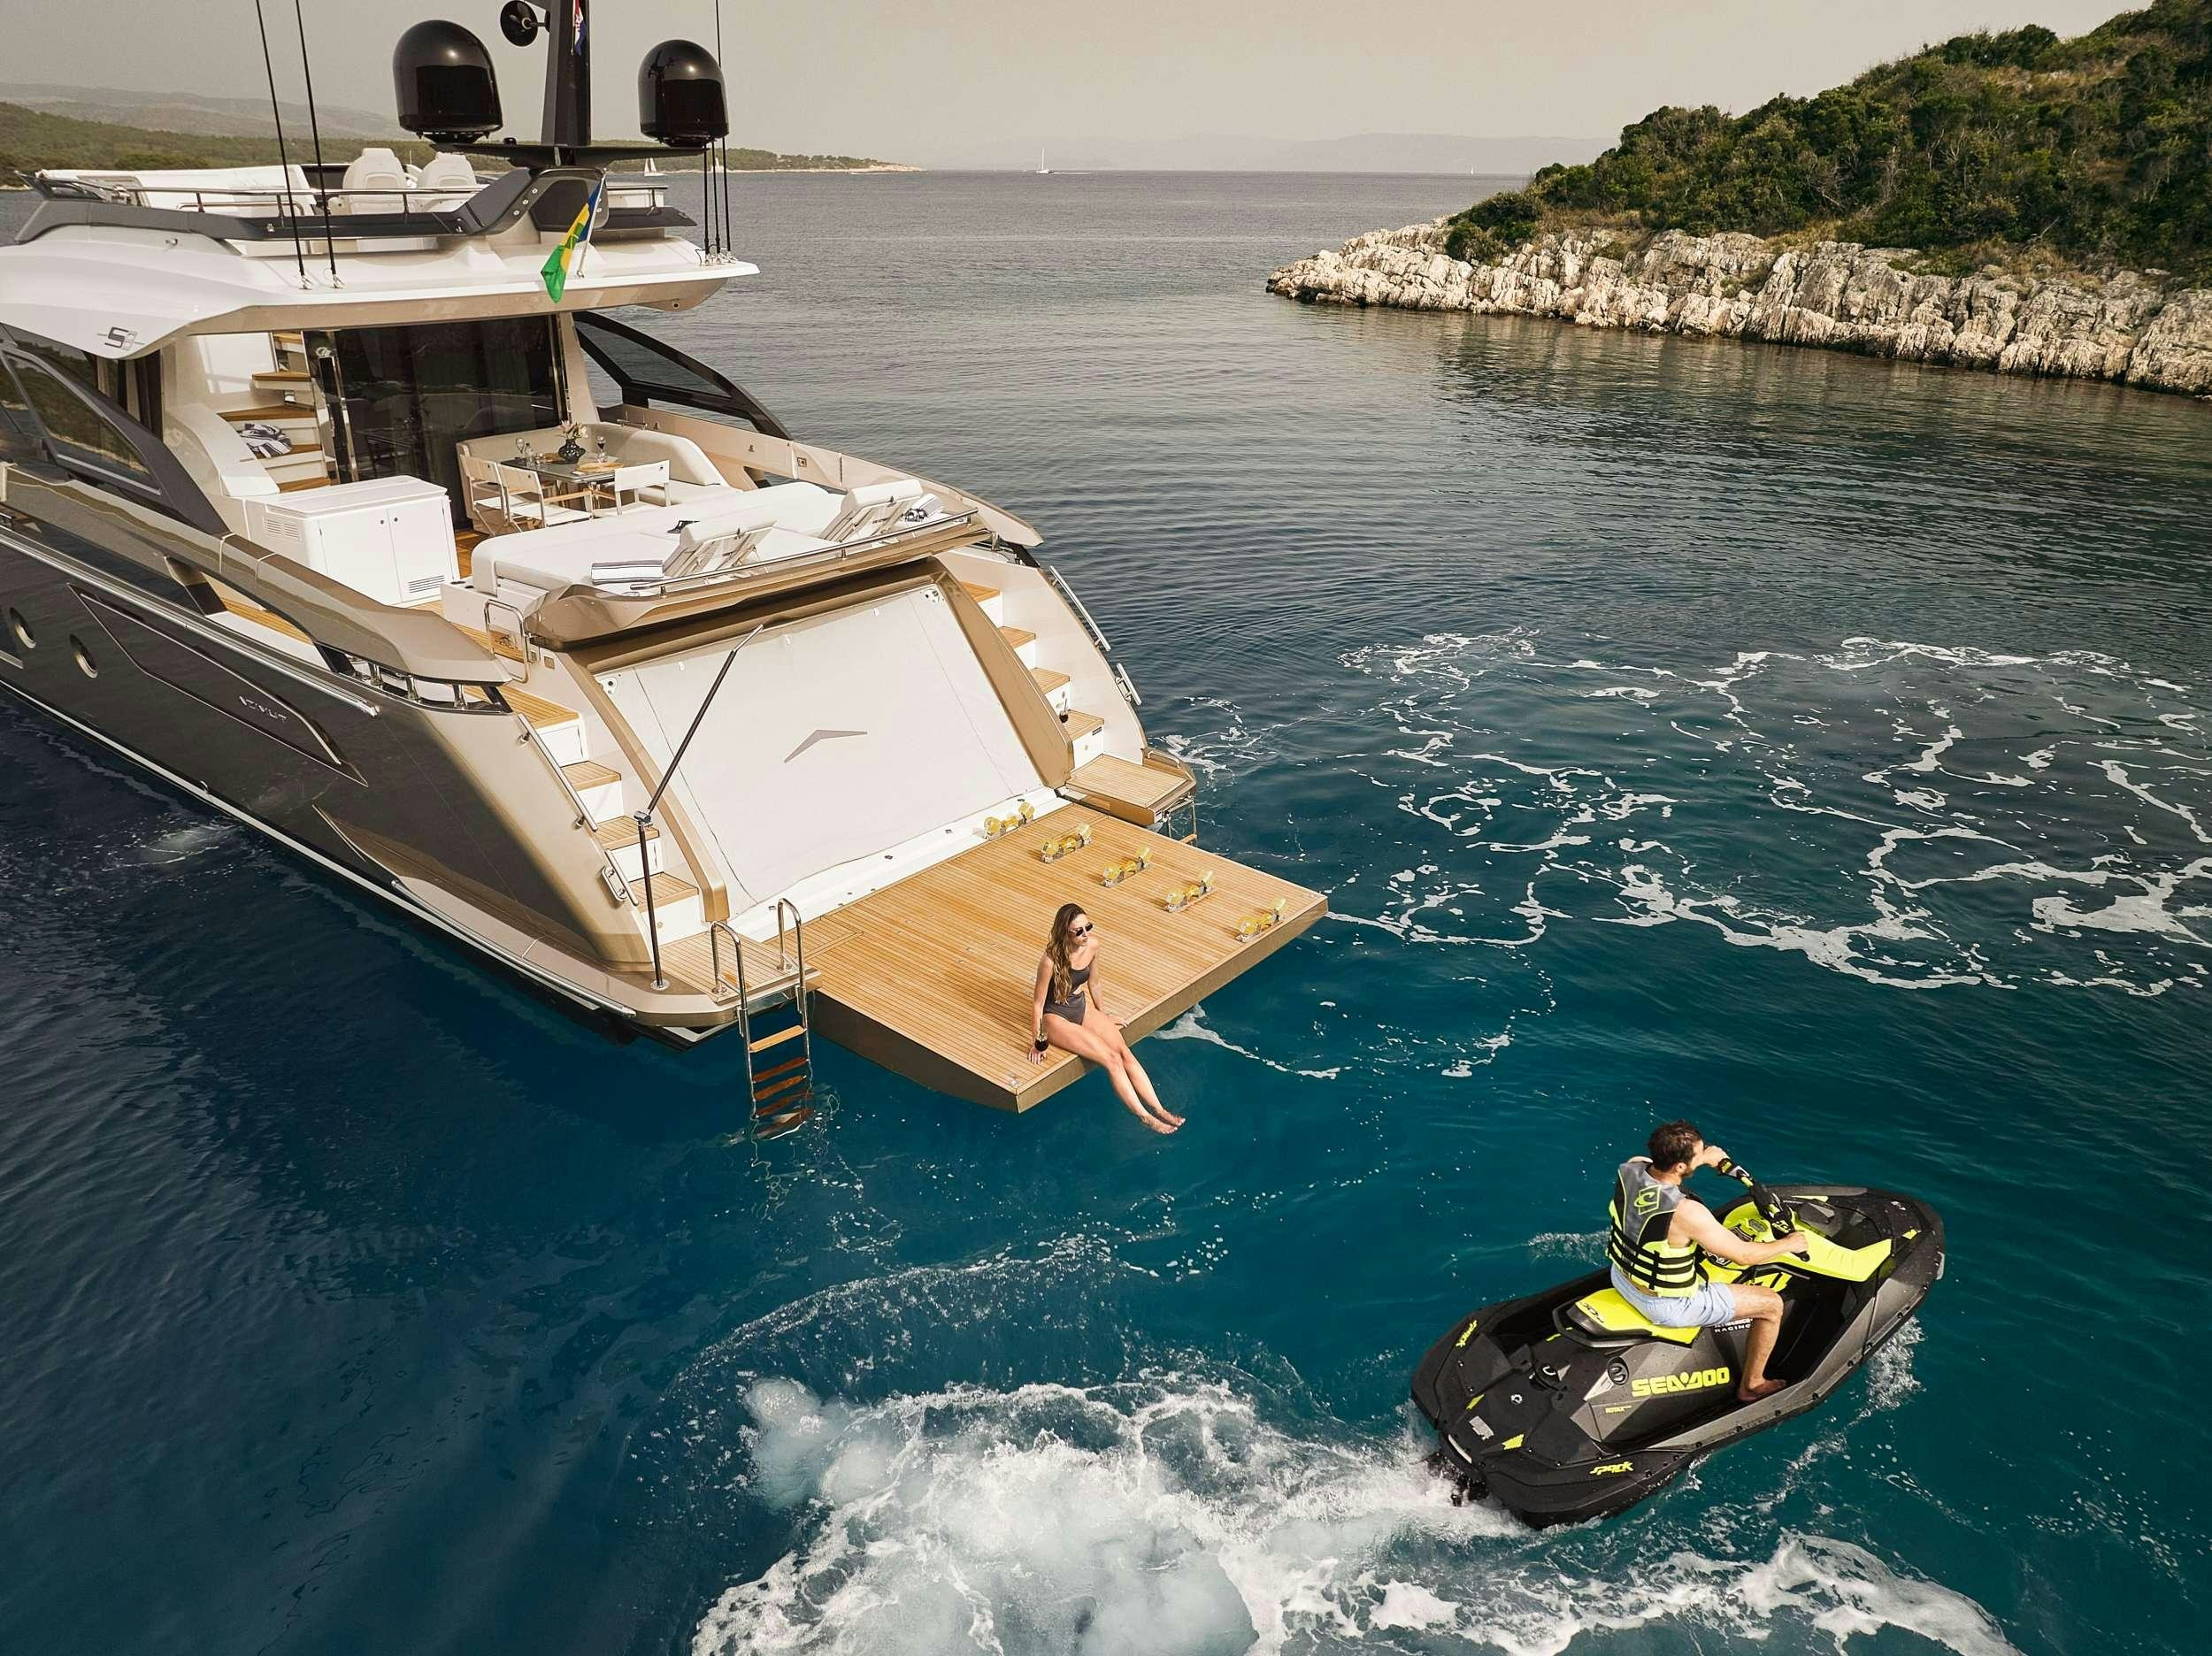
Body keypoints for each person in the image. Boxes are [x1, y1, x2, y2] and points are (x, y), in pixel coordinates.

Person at [1607, 1120, 1809, 1403]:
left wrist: (1703, 1159)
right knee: (1771, 1304)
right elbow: (1744, 1255)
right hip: (1665, 1305)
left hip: (1621, 1278)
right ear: (1679, 1166)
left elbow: (1660, 1166)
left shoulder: (1630, 1168)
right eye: (1698, 1154)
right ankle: (1751, 1384)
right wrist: (1790, 1243)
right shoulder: (1687, 1212)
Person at [1029, 901, 1182, 1134]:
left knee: (1124, 1052)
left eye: (1088, 927)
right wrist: (1038, 1042)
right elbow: (1038, 1004)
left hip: (1080, 1006)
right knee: (1111, 1059)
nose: (1085, 934)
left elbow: (1095, 982)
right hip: (1055, 1016)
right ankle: (1145, 1117)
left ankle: (1159, 1109)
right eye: (1078, 931)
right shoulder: (1050, 960)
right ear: (1065, 933)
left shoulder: (1093, 946)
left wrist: (1103, 1014)